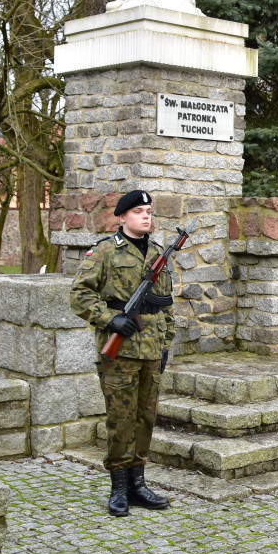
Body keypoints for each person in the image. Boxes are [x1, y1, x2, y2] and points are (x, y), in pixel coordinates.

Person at [70, 190, 175, 517]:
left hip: (152, 350)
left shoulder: (158, 253)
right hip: (121, 353)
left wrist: (166, 342)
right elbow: (79, 295)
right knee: (120, 421)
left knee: (145, 419)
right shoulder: (105, 251)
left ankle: (138, 484)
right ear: (122, 217)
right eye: (139, 211)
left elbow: (166, 304)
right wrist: (109, 319)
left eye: (149, 211)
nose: (146, 216)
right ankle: (118, 487)